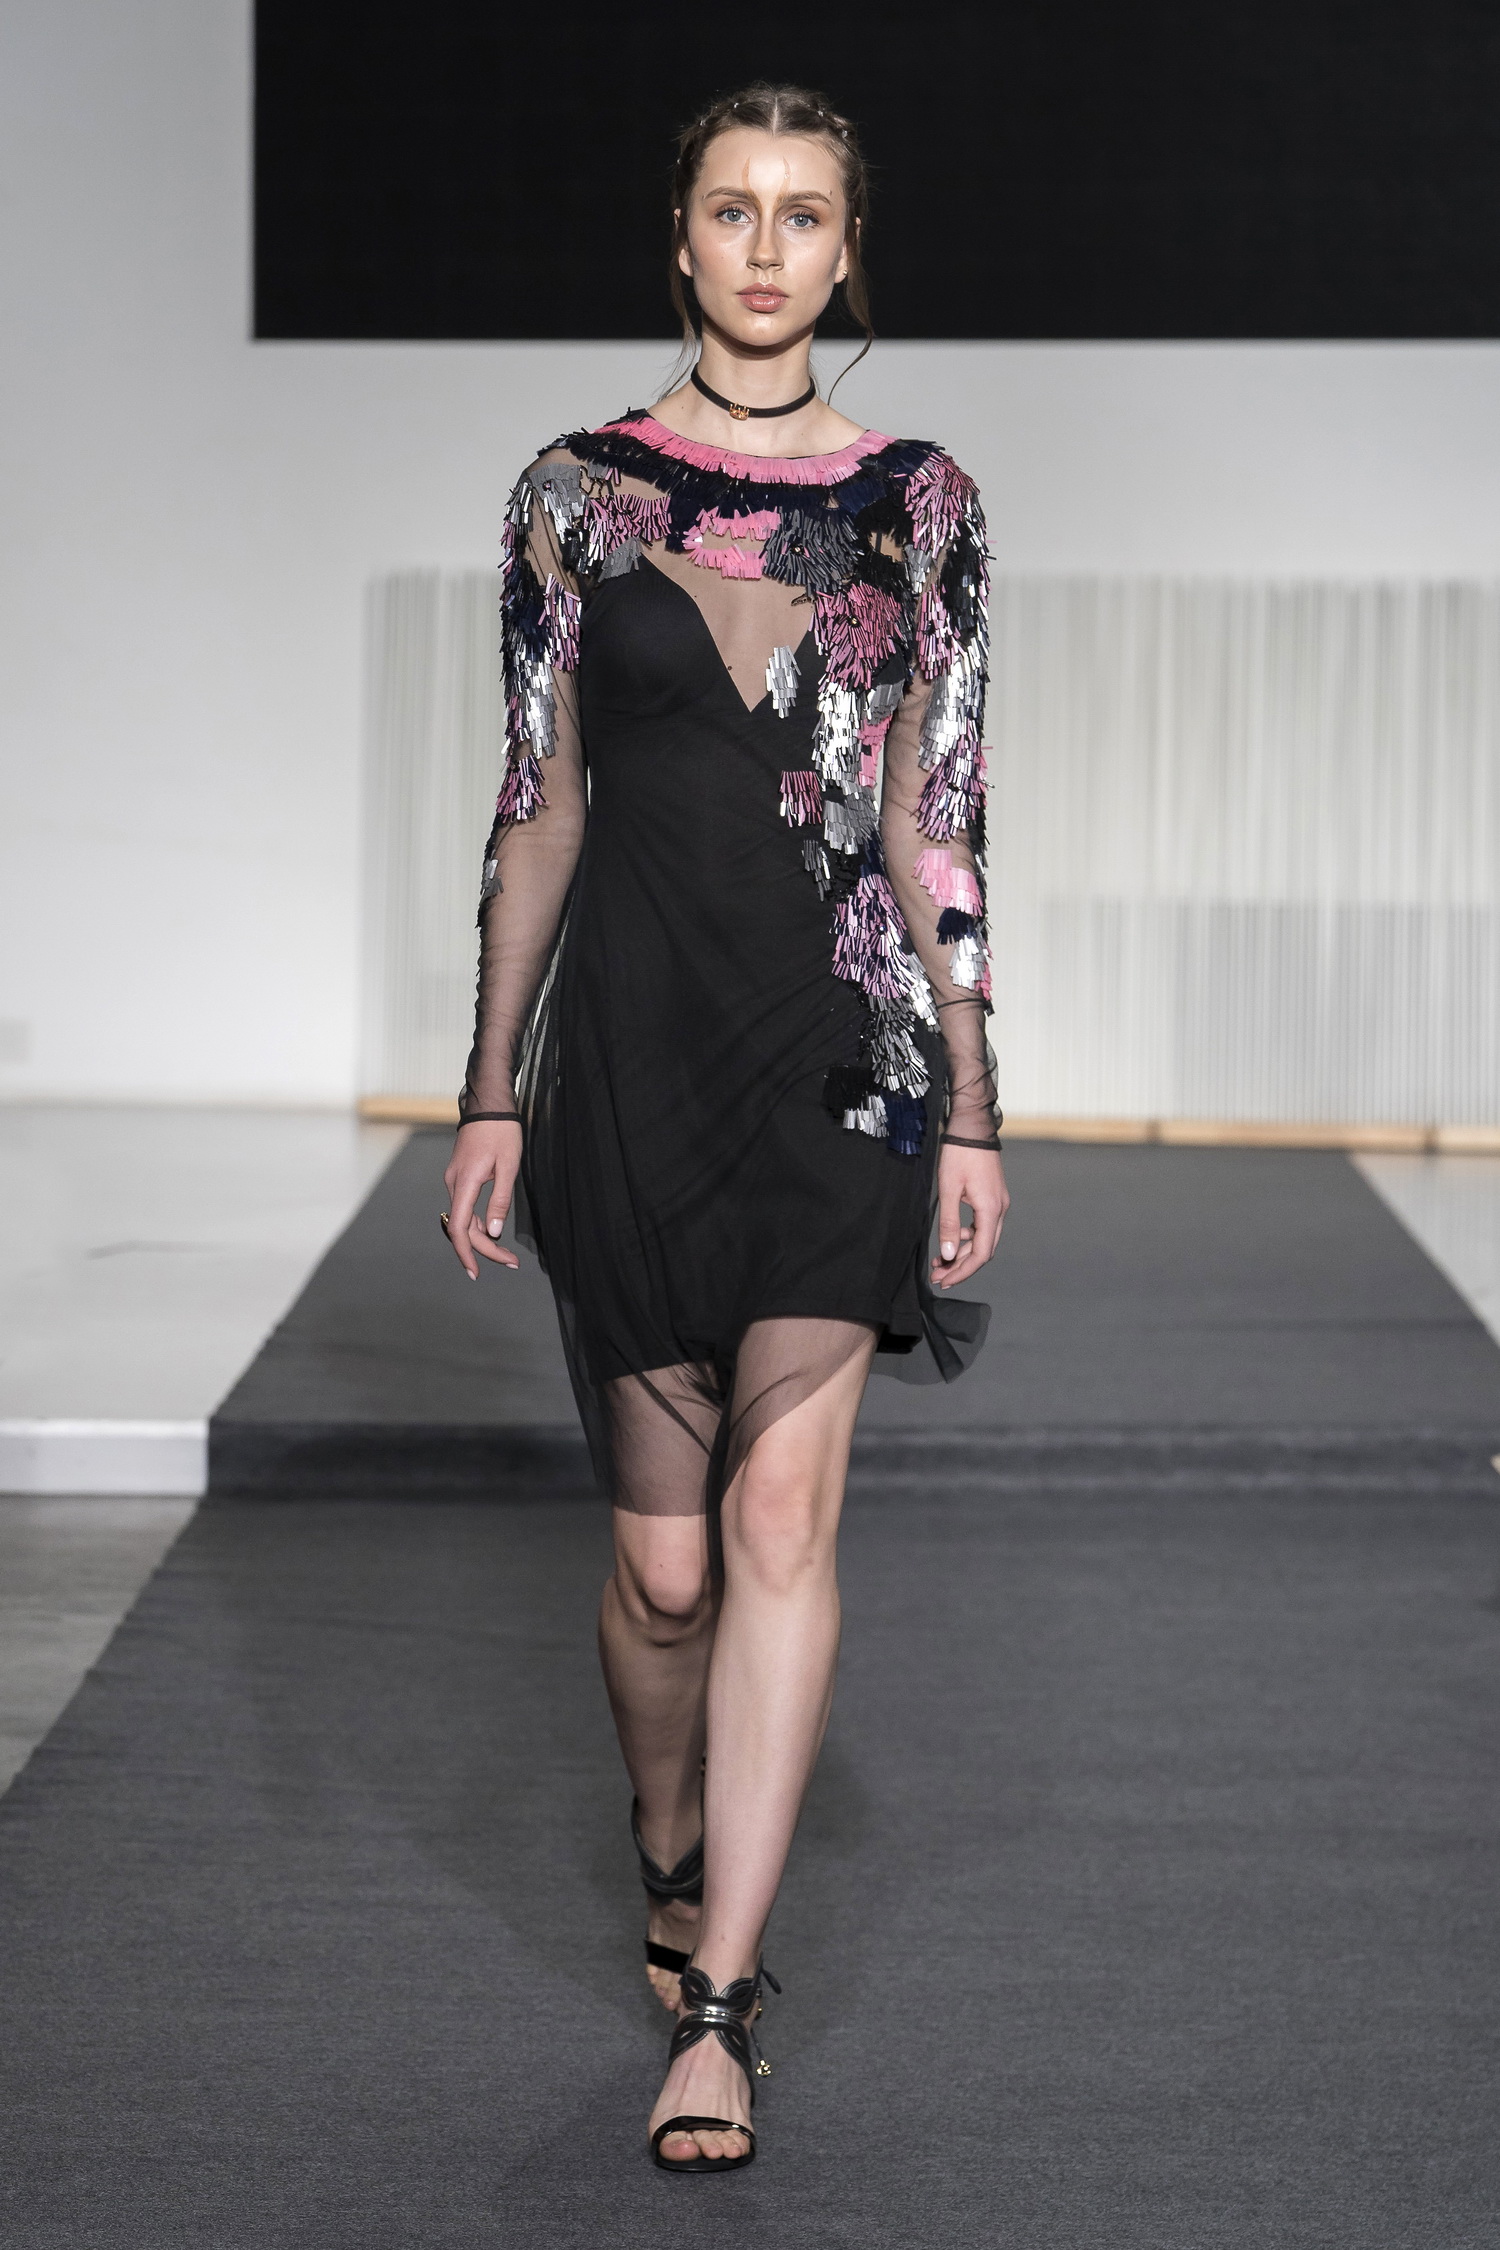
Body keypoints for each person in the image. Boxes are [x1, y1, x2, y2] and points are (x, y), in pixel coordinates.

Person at [443, 79, 1008, 2173]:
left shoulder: (924, 504)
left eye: (805, 215)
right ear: (678, 237)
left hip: (845, 1059)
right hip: (632, 1053)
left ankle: (721, 2005)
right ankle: (667, 1833)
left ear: (848, 253)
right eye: (733, 209)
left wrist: (973, 1098)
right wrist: (488, 1085)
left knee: (781, 1529)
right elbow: (537, 808)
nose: (768, 249)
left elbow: (936, 817)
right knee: (665, 1571)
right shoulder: (572, 495)